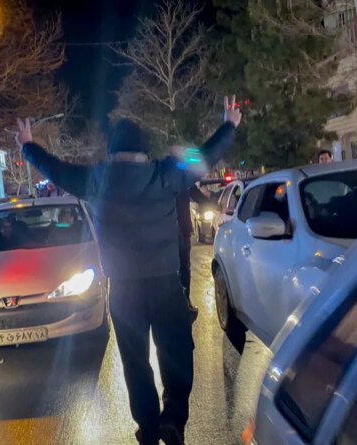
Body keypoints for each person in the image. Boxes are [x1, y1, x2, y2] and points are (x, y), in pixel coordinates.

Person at [16, 95, 241, 445]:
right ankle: (174, 420)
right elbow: (204, 157)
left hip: (122, 289)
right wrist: (228, 123)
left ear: (112, 151)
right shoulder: (165, 173)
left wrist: (29, 146)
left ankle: (148, 427)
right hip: (165, 284)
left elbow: (54, 168)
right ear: (143, 150)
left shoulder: (94, 179)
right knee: (177, 352)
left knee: (135, 361)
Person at [176, 185, 210, 321]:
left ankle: (183, 303)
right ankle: (184, 303)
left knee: (179, 267)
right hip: (180, 230)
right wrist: (213, 204)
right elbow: (197, 196)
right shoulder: (180, 176)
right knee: (183, 267)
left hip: (164, 230)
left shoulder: (158, 172)